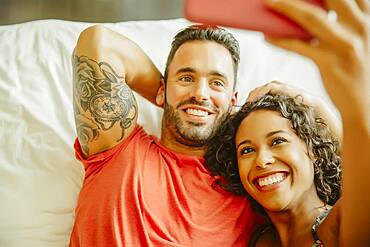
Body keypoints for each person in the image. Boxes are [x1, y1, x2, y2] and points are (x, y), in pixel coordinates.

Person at [70, 14, 340, 247]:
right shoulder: (116, 148)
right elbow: (99, 44)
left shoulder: (250, 178)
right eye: (186, 78)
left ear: (233, 100)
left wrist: (310, 104)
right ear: (162, 89)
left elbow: (354, 173)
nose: (200, 93)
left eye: (216, 83)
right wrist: (179, 101)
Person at [206, 0, 370, 245]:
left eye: (278, 141)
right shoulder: (256, 237)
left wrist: (331, 104)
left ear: (315, 151)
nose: (262, 160)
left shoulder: (340, 226)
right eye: (247, 150)